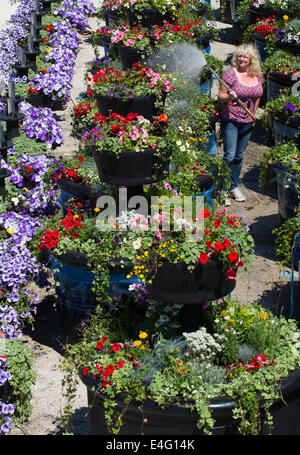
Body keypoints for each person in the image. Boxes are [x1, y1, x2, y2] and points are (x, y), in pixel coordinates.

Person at [218, 43, 263, 203]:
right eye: (239, 56)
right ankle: (222, 188)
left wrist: (253, 115)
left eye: (245, 56)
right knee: (229, 155)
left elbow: (258, 95)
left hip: (247, 120)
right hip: (231, 119)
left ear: (252, 59)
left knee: (239, 155)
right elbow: (220, 97)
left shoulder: (257, 75)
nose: (241, 59)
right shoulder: (230, 75)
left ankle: (233, 186)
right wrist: (230, 96)